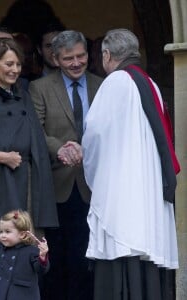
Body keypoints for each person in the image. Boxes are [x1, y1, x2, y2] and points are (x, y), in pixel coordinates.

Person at [82, 28, 180, 300]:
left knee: (123, 246)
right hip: (146, 190)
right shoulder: (152, 85)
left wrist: (94, 177)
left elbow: (95, 134)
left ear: (106, 55)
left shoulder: (116, 82)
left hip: (123, 192)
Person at [29, 30, 103, 300]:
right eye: (68, 58)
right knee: (58, 258)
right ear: (55, 58)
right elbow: (35, 129)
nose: (76, 63)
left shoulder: (102, 85)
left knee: (87, 258)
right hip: (56, 186)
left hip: (95, 186)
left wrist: (90, 149)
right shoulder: (40, 88)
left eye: (81, 56)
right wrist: (59, 147)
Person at [0, 38, 59, 233]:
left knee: (29, 243)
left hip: (27, 180)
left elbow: (37, 139)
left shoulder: (23, 96)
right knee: (1, 242)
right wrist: (1, 157)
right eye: (9, 64)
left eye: (18, 64)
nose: (15, 70)